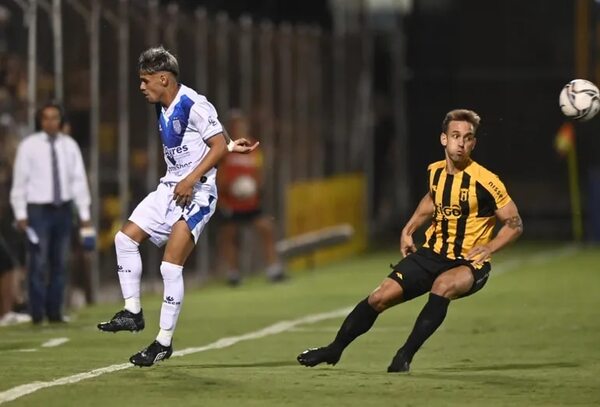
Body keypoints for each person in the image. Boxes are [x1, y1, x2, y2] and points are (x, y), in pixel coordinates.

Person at [297, 109, 523, 372]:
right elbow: (432, 199)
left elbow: (514, 223)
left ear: (474, 142)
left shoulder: (486, 181)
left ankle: (404, 356)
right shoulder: (435, 172)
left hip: (469, 262)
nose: (461, 143)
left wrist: (490, 247)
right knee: (379, 297)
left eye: (468, 138)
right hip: (431, 254)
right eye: (455, 136)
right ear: (443, 139)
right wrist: (409, 228)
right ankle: (334, 349)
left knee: (443, 285)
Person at [97, 46, 258, 367]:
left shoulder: (192, 103)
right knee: (124, 239)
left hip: (196, 193)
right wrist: (227, 146)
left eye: (145, 81)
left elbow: (214, 144)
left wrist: (193, 176)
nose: (141, 87)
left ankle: (163, 342)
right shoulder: (164, 104)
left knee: (170, 266)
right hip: (169, 188)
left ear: (163, 78)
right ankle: (132, 312)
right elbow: (218, 138)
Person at [10, 101, 93, 324]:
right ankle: (37, 313)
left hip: (63, 209)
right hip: (37, 210)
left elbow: (78, 182)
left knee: (61, 262)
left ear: (60, 120)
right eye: (45, 117)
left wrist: (84, 215)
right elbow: (20, 182)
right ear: (40, 121)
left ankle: (55, 312)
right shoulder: (29, 146)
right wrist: (20, 213)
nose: (50, 122)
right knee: (38, 262)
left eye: (54, 117)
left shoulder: (69, 146)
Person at [216, 110, 285, 286]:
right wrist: (226, 189)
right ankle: (233, 273)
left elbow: (259, 171)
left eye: (241, 123)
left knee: (266, 228)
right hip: (230, 201)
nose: (239, 126)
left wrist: (255, 186)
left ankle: (273, 269)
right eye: (234, 124)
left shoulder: (253, 146)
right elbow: (219, 172)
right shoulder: (225, 146)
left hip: (250, 201)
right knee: (230, 234)